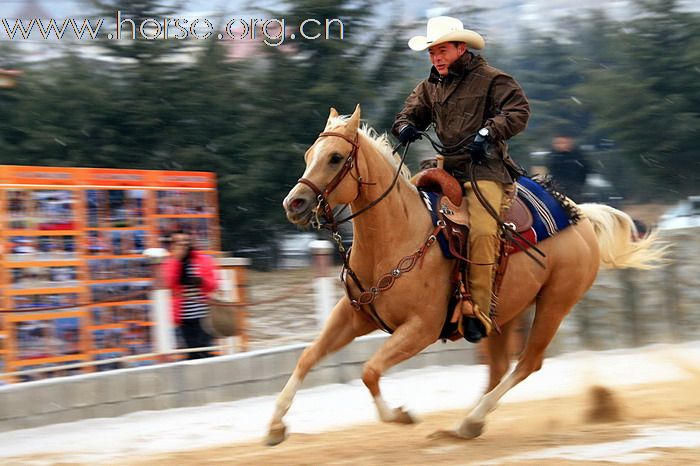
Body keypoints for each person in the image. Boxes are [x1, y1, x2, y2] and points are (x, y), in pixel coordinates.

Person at [392, 16, 530, 341]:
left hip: (486, 170)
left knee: (482, 232)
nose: (436, 58)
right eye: (431, 52)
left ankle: (478, 312)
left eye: (442, 50)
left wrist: (488, 131)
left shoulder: (492, 79)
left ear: (461, 48)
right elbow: (407, 114)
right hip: (445, 168)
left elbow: (519, 111)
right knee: (404, 212)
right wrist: (405, 127)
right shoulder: (429, 87)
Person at [162, 229, 218, 359]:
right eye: (178, 242)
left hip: (205, 317)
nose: (182, 245)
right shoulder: (169, 262)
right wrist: (176, 260)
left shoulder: (203, 260)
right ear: (172, 244)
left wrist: (201, 281)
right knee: (191, 355)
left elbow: (213, 285)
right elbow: (168, 283)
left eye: (185, 241)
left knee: (205, 352)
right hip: (183, 319)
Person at [545, 134, 590, 201]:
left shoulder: (578, 156)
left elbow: (584, 171)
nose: (559, 145)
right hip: (557, 189)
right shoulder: (552, 157)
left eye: (562, 143)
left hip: (574, 189)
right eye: (557, 143)